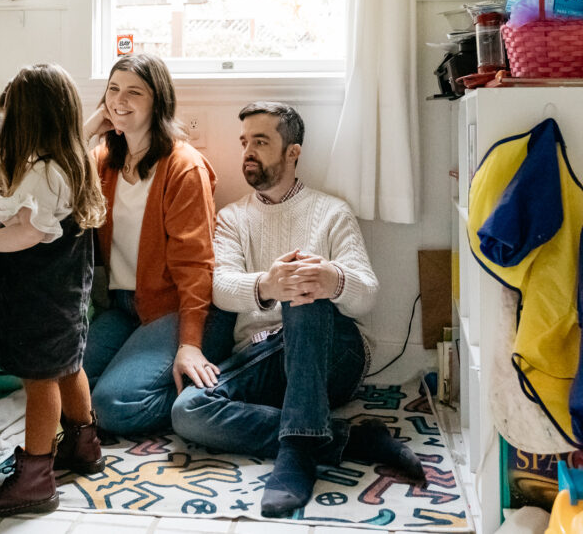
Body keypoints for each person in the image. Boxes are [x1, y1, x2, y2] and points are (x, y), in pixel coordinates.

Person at [170, 101, 425, 518]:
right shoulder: (233, 218)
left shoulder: (331, 212)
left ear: (293, 151)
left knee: (304, 291)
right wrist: (267, 285)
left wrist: (332, 279)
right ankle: (344, 439)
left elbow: (368, 292)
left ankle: (295, 457)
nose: (248, 152)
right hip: (265, 356)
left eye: (261, 141)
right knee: (189, 411)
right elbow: (219, 288)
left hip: (333, 356)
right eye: (244, 142)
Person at [0, 64, 108, 517]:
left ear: (29, 120)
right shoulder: (72, 161)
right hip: (65, 295)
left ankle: (36, 480)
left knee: (39, 382)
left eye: (9, 120)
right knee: (66, 365)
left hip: (38, 296)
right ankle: (85, 445)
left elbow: (26, 235)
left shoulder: (42, 170)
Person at [82, 53, 235, 436]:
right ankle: (149, 375)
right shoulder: (103, 161)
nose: (120, 100)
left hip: (177, 309)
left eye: (135, 92)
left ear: (158, 103)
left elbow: (196, 264)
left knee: (111, 406)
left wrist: (189, 344)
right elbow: (54, 181)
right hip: (123, 307)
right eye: (114, 90)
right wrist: (88, 128)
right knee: (67, 388)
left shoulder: (184, 167)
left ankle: (210, 387)